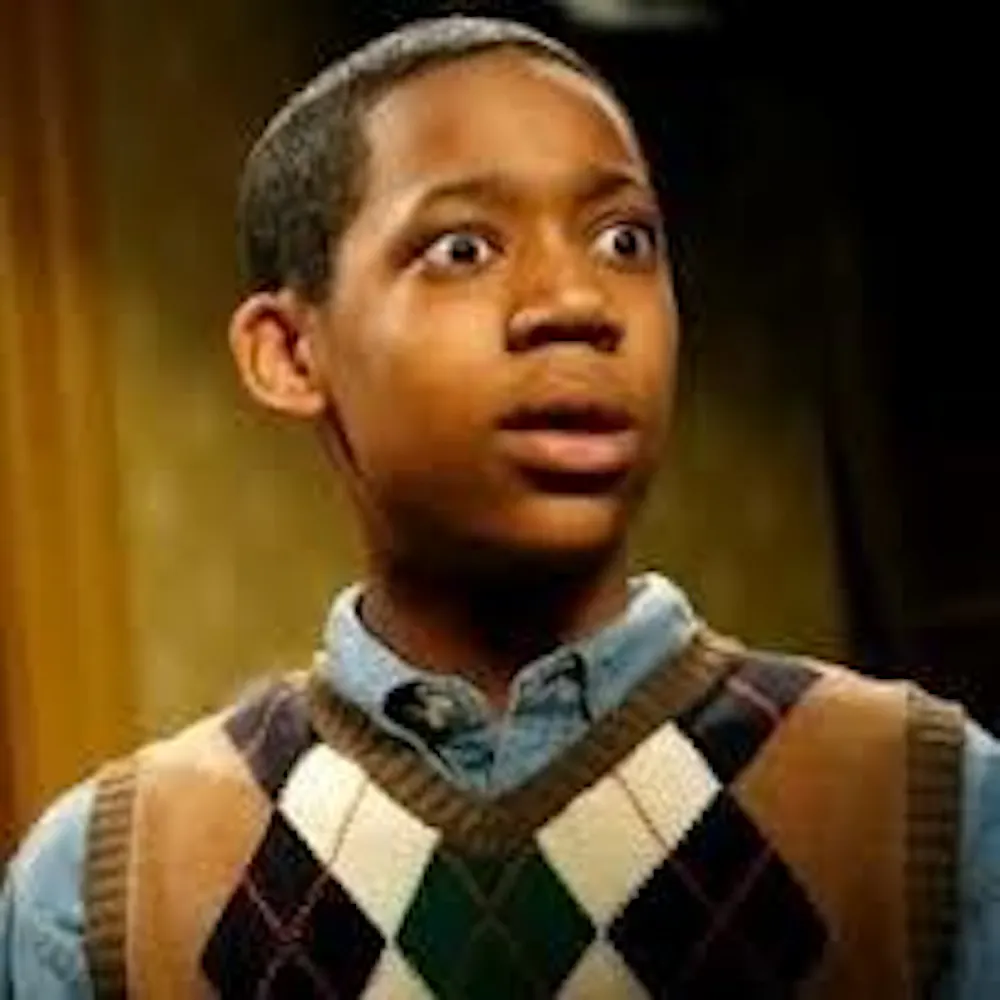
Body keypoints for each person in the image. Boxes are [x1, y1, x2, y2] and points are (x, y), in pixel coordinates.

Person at [2, 15, 998, 999]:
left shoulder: (925, 812)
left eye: (624, 240)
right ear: (291, 353)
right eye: (463, 249)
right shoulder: (107, 894)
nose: (576, 302)